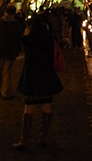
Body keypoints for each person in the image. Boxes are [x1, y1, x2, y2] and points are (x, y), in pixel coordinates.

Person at [13, 17, 63, 150]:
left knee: (29, 107)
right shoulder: (49, 41)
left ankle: (24, 140)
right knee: (46, 105)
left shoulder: (27, 41)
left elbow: (21, 41)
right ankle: (43, 138)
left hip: (31, 76)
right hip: (47, 76)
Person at [0, 4, 23, 99]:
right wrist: (18, 50)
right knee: (7, 71)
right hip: (10, 50)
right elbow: (19, 39)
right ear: (14, 13)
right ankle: (5, 92)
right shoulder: (16, 25)